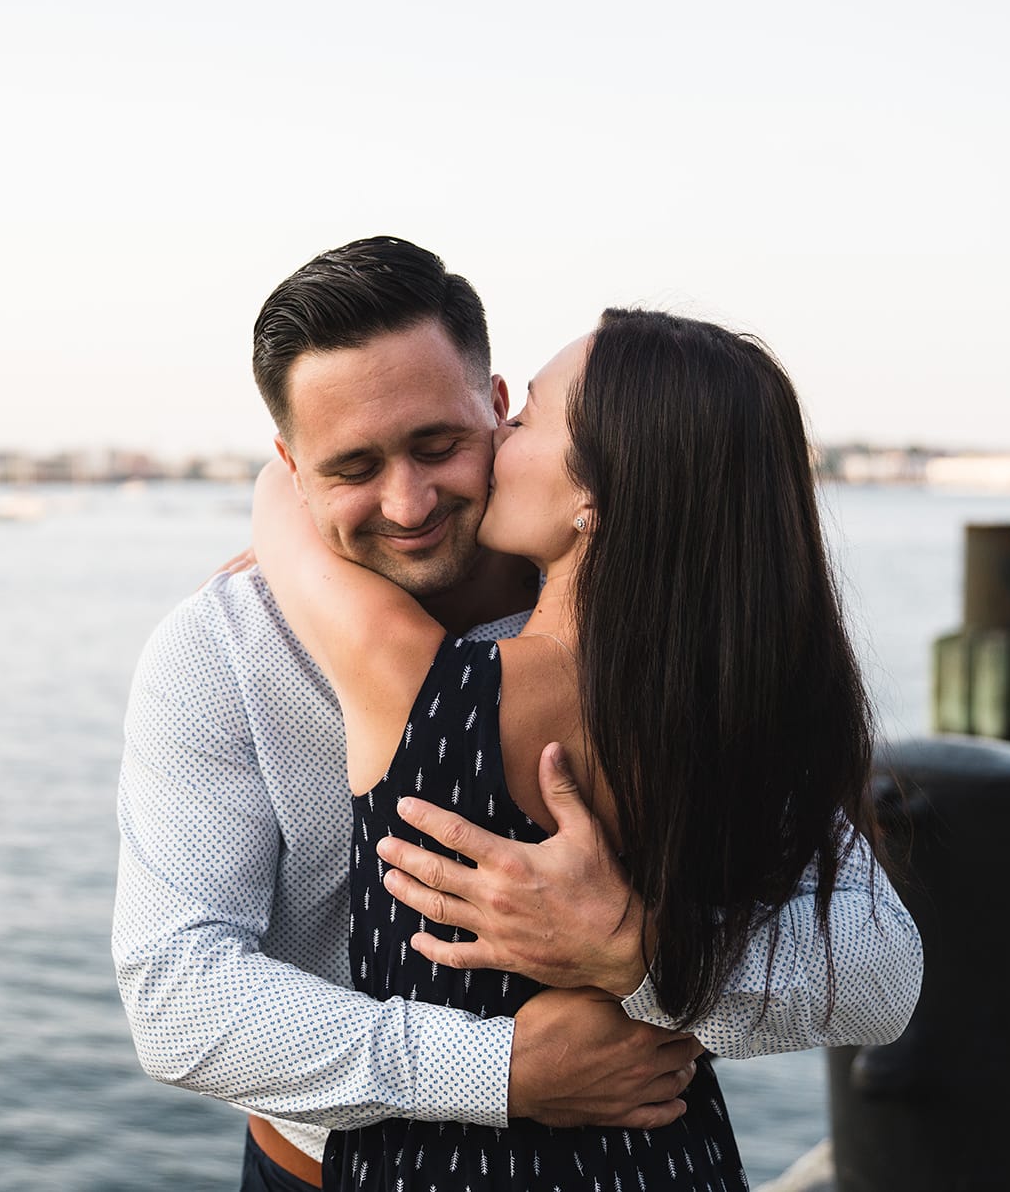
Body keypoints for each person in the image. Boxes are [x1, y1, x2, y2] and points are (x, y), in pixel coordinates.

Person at [113, 238, 923, 1192]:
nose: (407, 503)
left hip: (627, 1146)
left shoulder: (660, 638)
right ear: (292, 466)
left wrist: (638, 949)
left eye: (437, 445)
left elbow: (872, 969)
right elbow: (177, 994)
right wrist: (500, 1071)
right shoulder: (224, 650)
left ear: (498, 411)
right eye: (351, 469)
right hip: (326, 1168)